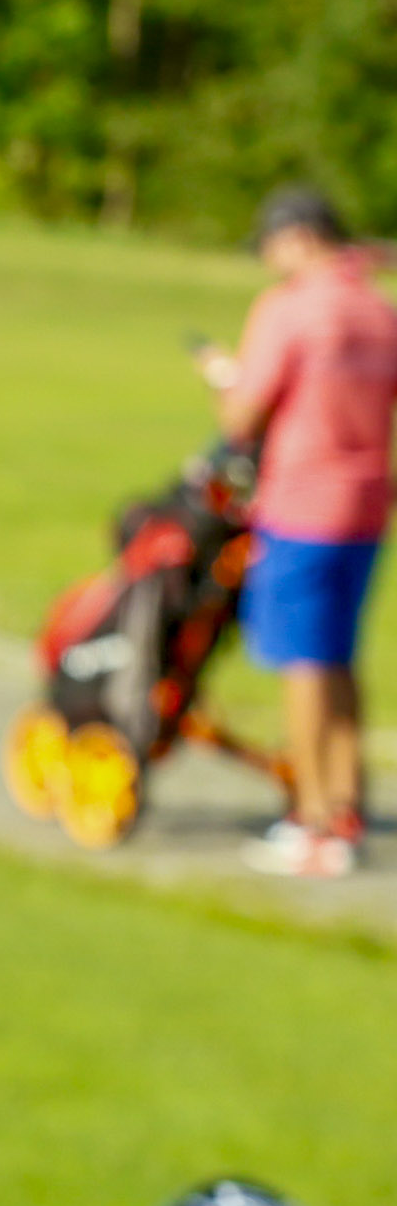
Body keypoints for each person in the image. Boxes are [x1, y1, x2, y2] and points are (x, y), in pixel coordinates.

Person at [200, 184, 397, 879]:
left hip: (304, 505)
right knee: (338, 656)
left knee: (303, 662)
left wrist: (222, 378)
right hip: (367, 506)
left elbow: (242, 417)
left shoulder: (289, 309)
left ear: (300, 238)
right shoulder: (378, 309)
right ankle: (347, 805)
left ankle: (312, 821)